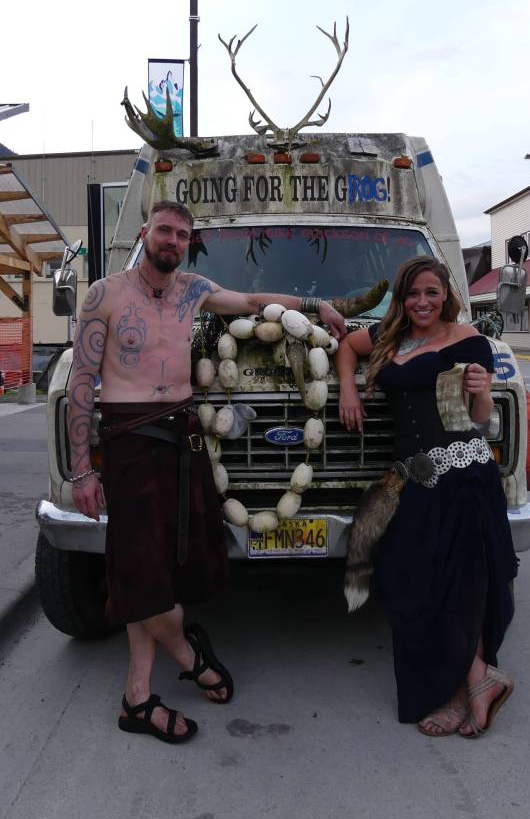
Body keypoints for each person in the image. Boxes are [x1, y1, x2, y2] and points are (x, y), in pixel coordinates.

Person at [67, 199, 346, 745]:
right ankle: (190, 658)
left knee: (160, 571)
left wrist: (321, 305)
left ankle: (137, 695)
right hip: (129, 440)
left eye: (181, 235)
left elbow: (257, 301)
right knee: (140, 571)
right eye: (164, 231)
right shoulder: (105, 294)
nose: (172, 241)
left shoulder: (194, 290)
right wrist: (81, 471)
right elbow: (81, 380)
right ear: (145, 233)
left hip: (183, 435)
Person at [336, 256, 517, 738]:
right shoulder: (389, 337)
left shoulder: (467, 340)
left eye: (431, 293)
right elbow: (347, 347)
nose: (422, 302)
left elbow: (477, 417)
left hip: (462, 475)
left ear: (445, 296)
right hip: (415, 478)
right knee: (411, 581)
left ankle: (465, 690)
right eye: (413, 293)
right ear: (401, 298)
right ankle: (479, 681)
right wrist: (348, 390)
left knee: (460, 585)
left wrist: (483, 390)